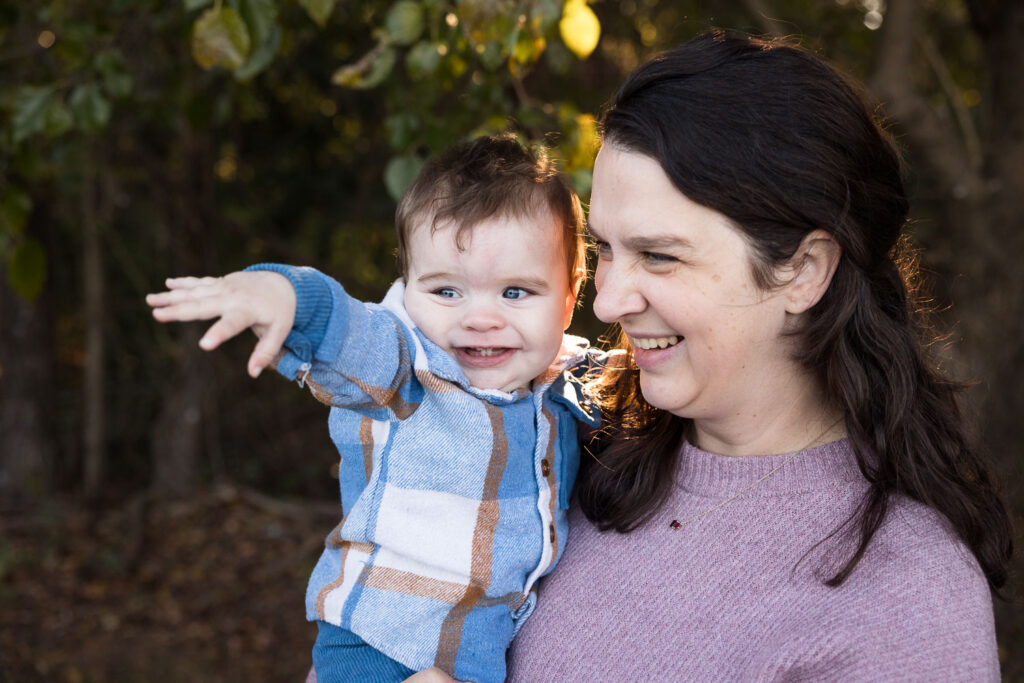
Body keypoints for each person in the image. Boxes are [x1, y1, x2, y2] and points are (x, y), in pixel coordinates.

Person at [409, 30, 1014, 682]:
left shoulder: (908, 598)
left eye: (660, 255)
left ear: (804, 270)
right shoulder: (557, 443)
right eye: (606, 246)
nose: (608, 300)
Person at [146, 135, 607, 683]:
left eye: (515, 293)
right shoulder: (409, 368)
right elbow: (347, 332)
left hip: (474, 652)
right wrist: (288, 299)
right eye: (446, 292)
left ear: (569, 294)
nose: (481, 318)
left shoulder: (568, 379)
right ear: (406, 288)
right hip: (378, 641)